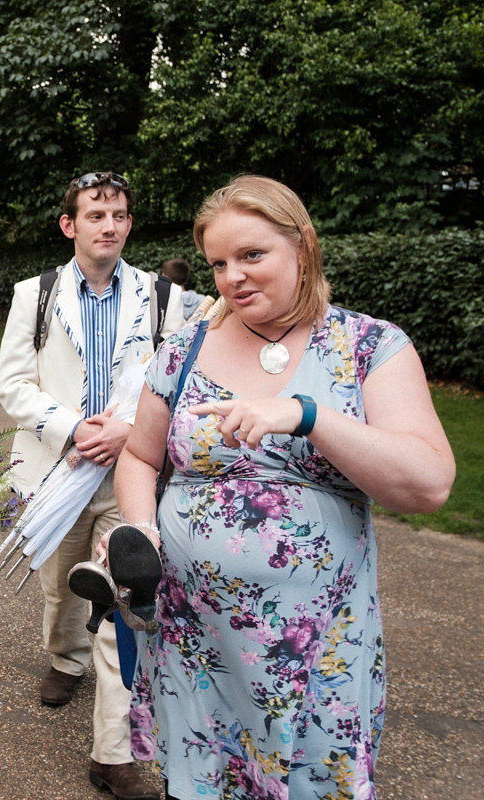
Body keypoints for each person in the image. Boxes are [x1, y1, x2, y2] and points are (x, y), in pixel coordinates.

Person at [111, 175, 454, 800]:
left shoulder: (368, 347)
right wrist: (143, 530)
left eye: (251, 255)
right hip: (195, 642)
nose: (232, 277)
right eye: (218, 263)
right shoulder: (184, 349)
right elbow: (138, 454)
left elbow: (428, 484)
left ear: (303, 246)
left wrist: (309, 416)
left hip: (314, 652)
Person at [0, 171, 183, 800]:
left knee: (125, 599)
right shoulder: (35, 293)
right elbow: (13, 383)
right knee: (62, 585)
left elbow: (177, 383)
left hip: (130, 471)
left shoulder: (164, 297)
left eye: (120, 216)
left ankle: (113, 751)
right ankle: (63, 657)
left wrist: (128, 430)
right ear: (69, 225)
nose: (110, 226)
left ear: (129, 223)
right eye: (96, 216)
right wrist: (75, 428)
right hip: (60, 469)